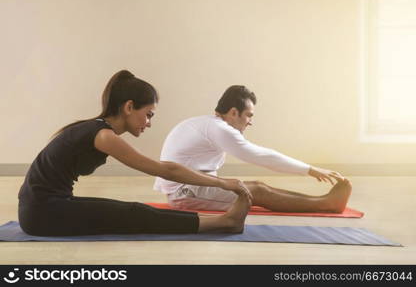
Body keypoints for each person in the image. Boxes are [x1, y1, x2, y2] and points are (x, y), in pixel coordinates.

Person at [18, 71, 253, 237]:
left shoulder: (97, 129)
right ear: (129, 107)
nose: (149, 123)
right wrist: (222, 183)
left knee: (130, 211)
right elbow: (166, 170)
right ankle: (223, 222)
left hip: (44, 208)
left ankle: (222, 222)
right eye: (149, 114)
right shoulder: (104, 136)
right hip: (43, 213)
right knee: (133, 214)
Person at [154, 85, 352, 213]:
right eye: (249, 115)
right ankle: (325, 204)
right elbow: (262, 156)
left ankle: (323, 201)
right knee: (256, 190)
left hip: (191, 187)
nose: (250, 122)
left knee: (258, 187)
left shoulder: (207, 123)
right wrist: (310, 169)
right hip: (184, 194)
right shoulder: (219, 128)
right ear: (233, 112)